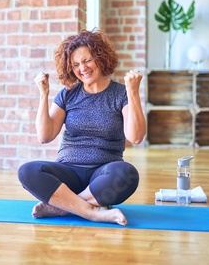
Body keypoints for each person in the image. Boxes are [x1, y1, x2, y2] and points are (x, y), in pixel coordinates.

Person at [17, 29, 147, 226]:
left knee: (127, 174)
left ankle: (62, 206)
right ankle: (93, 212)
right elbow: (45, 136)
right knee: (27, 171)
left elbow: (136, 137)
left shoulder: (120, 94)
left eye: (87, 61)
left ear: (100, 58)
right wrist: (44, 95)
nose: (82, 69)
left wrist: (133, 92)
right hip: (68, 172)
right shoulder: (67, 94)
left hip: (103, 175)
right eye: (76, 64)